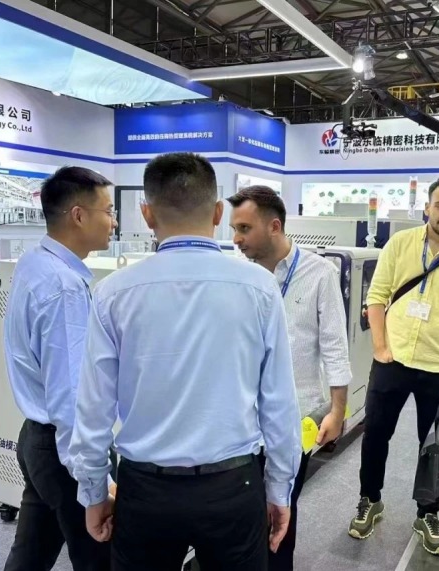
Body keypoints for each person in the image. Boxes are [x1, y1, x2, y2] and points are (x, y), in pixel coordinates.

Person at [69, 153, 301, 571]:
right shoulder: (260, 288)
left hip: (145, 489)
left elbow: (93, 409)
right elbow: (279, 403)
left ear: (146, 214)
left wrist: (93, 492)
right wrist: (279, 489)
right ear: (218, 213)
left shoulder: (113, 293)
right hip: (234, 484)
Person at [348, 175, 439, 556]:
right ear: (427, 207)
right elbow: (376, 297)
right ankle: (370, 499)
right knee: (376, 434)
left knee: (435, 445)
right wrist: (380, 348)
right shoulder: (401, 243)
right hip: (393, 359)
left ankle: (428, 513)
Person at [228, 185, 351, 570]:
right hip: (241, 422)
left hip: (296, 419)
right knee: (243, 517)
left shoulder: (319, 273)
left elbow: (335, 345)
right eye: (234, 229)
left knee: (282, 510)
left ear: (274, 226)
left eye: (244, 228)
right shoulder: (237, 276)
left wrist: (338, 411)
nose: (236, 239)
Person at [3, 167, 117, 571]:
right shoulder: (64, 287)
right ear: (78, 216)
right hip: (63, 451)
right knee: (100, 558)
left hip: (38, 440)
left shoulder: (35, 263)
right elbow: (72, 395)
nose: (114, 221)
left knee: (30, 556)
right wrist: (94, 483)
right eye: (108, 210)